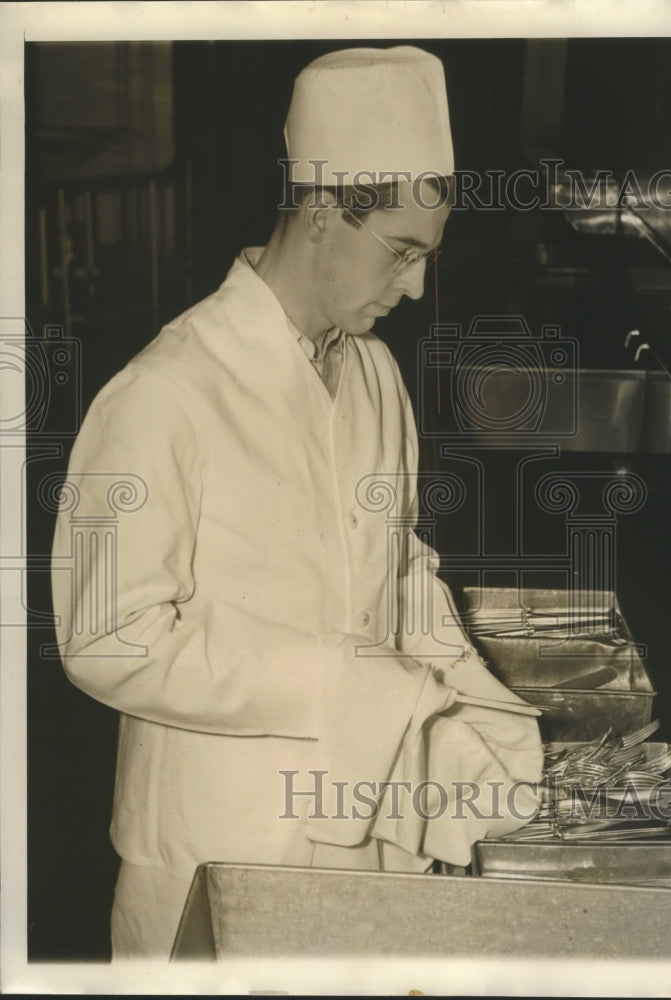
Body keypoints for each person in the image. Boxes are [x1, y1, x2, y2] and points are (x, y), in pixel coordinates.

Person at [51, 46, 543, 960]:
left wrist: (470, 701)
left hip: (364, 838)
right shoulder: (164, 392)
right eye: (400, 252)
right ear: (322, 212)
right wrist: (337, 682)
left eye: (426, 257)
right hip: (218, 854)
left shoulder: (374, 372)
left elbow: (398, 566)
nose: (415, 287)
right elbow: (104, 639)